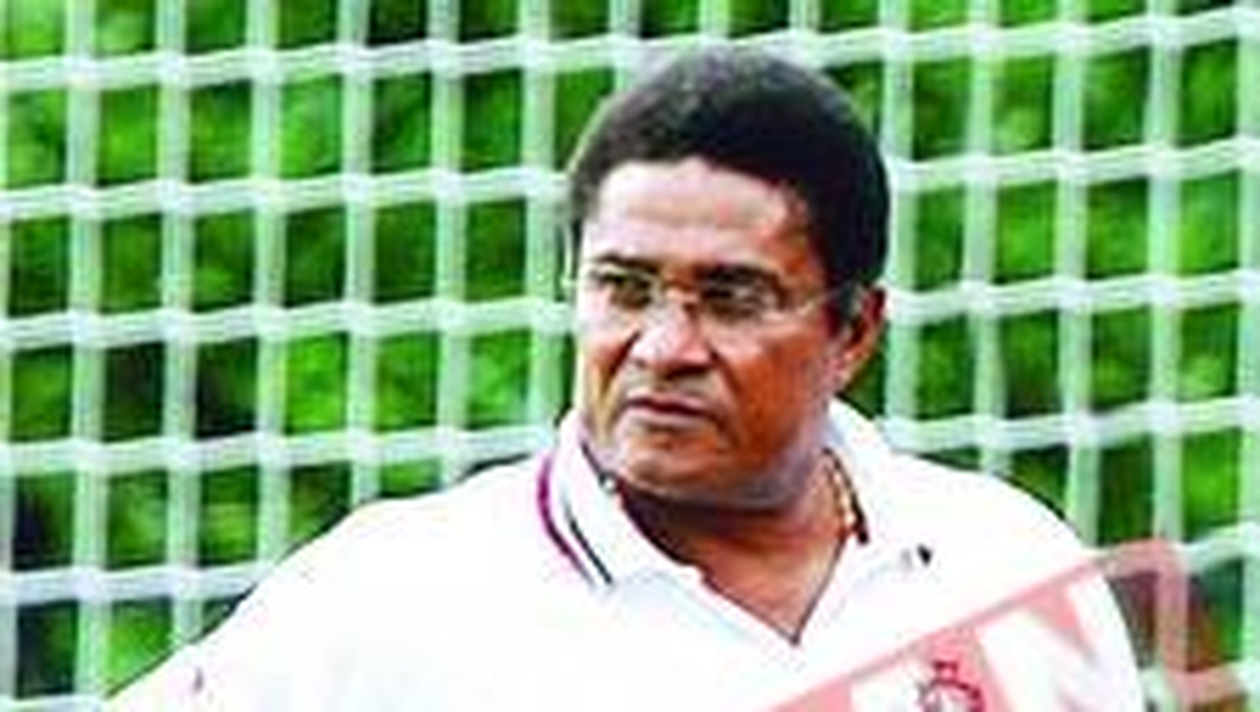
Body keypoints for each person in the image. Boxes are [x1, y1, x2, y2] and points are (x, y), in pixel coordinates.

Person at [113, 47, 1143, 710]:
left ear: (854, 331)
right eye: (624, 287)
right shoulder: (391, 599)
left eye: (731, 298)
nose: (663, 346)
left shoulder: (1005, 563)